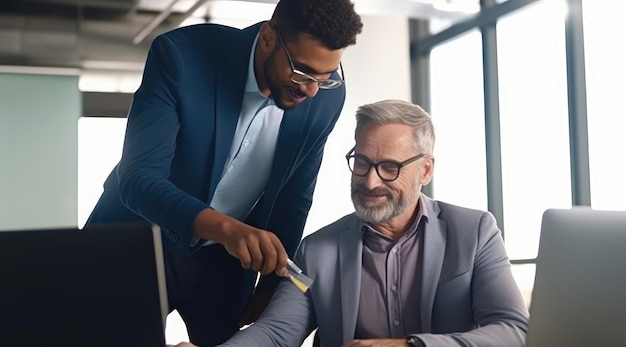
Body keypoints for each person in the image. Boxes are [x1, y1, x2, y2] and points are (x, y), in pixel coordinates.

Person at [85, 0, 363, 346]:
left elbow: (295, 197)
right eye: (303, 71)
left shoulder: (324, 98)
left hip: (225, 261)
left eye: (325, 77)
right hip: (134, 240)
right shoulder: (181, 56)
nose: (310, 89)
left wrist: (271, 287)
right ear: (267, 38)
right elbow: (139, 179)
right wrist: (229, 229)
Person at [194, 99, 527, 347]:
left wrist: (412, 346)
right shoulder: (316, 251)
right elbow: (278, 331)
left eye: (389, 168)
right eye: (362, 163)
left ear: (425, 170)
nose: (369, 182)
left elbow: (512, 330)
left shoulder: (475, 232)